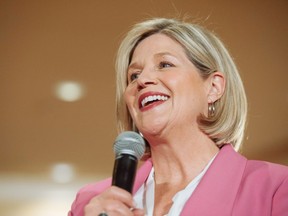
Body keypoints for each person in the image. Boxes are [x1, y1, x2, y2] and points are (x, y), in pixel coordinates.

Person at [68, 18, 288, 216]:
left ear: (213, 87)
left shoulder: (275, 188)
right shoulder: (90, 203)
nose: (143, 79)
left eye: (165, 65)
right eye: (133, 75)